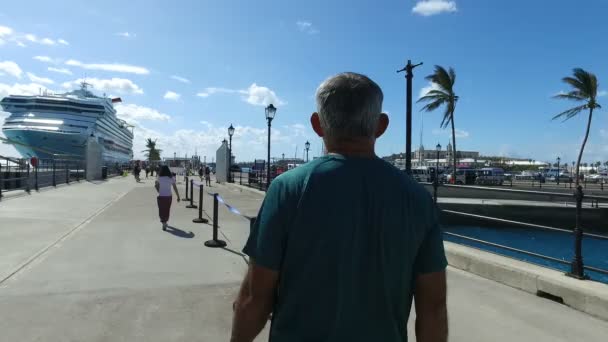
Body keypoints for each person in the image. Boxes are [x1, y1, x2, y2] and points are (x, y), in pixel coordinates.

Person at [231, 73, 448, 342]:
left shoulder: (288, 188)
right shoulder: (417, 198)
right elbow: (433, 309)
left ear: (317, 125)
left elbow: (255, 298)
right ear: (381, 126)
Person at [155, 165, 180, 230]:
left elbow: (156, 185)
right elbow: (175, 187)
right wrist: (178, 196)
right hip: (168, 196)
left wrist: (159, 191)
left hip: (161, 196)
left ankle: (163, 222)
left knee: (161, 210)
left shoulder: (159, 177)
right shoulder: (171, 178)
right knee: (167, 209)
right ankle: (165, 222)